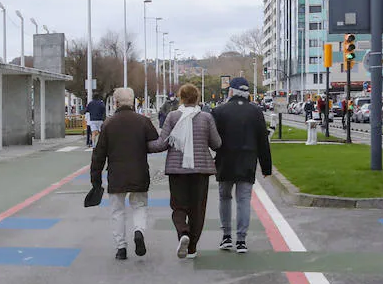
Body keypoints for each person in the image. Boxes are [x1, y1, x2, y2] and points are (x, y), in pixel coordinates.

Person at [90, 88, 167, 261]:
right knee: (139, 206)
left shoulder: (108, 124)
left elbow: (99, 154)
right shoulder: (143, 121)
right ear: (133, 102)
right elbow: (154, 142)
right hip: (139, 171)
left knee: (117, 211)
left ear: (115, 103)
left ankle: (121, 247)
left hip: (116, 174)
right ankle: (138, 231)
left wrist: (95, 179)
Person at [156, 83, 222, 259]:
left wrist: (142, 145)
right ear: (197, 98)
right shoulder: (206, 118)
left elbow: (162, 143)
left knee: (178, 206)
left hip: (177, 170)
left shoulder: (172, 116)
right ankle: (192, 248)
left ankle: (183, 232)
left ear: (181, 98)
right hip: (201, 170)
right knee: (197, 209)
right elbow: (216, 144)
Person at [212, 78, 273, 254]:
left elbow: (214, 140)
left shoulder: (220, 111)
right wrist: (266, 167)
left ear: (231, 91)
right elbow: (263, 142)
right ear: (247, 93)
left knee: (224, 197)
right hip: (247, 161)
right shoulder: (256, 112)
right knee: (244, 200)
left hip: (225, 161)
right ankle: (241, 240)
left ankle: (226, 236)